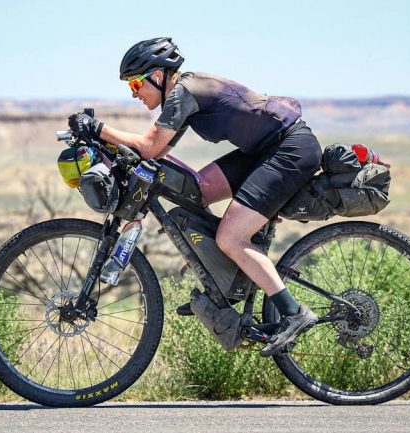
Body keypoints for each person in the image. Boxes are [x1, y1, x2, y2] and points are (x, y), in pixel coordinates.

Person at [68, 37, 321, 357]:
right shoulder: (183, 93)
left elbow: (150, 146)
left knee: (231, 236)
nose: (134, 94)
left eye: (135, 84)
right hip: (267, 149)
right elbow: (157, 154)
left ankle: (294, 312)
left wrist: (99, 129)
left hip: (289, 149)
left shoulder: (183, 91)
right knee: (198, 190)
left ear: (158, 76)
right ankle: (224, 286)